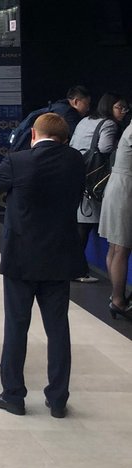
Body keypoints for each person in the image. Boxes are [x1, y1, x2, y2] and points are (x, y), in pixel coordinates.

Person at [0, 112, 86, 416]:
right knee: (58, 329)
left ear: (34, 135)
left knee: (16, 326)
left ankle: (13, 396)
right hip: (60, 258)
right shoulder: (75, 160)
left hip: (22, 259)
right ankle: (58, 398)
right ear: (64, 138)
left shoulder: (19, 161)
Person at [69, 93, 119, 278]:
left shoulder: (84, 120)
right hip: (95, 176)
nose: (123, 111)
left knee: (80, 222)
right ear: (109, 107)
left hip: (79, 170)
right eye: (119, 107)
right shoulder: (109, 124)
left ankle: (75, 267)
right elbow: (105, 148)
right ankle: (77, 269)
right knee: (85, 225)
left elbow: (73, 143)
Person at [98, 125, 132, 322]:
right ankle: (118, 300)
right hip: (125, 190)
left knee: (115, 247)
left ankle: (115, 297)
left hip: (118, 186)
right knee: (120, 247)